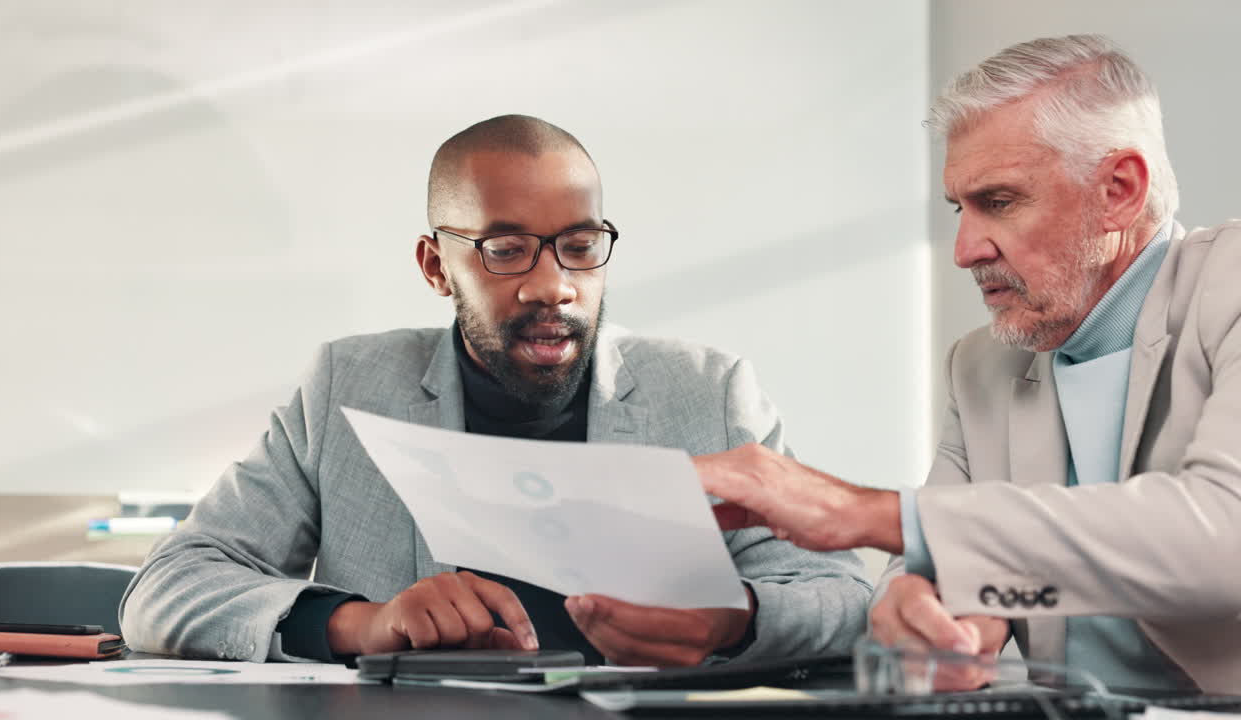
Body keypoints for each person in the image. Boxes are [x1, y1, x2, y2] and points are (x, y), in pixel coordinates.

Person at [119, 114, 870, 666]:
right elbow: (167, 590)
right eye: (506, 251)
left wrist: (735, 618)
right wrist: (363, 623)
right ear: (435, 266)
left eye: (580, 248)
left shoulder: (709, 391)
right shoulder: (347, 387)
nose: (555, 286)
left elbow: (843, 596)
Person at [693, 35, 1241, 693]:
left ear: (1118, 191)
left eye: (999, 202)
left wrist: (866, 511)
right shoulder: (981, 365)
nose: (965, 249)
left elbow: (1223, 534)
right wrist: (924, 614)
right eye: (961, 208)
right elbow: (925, 569)